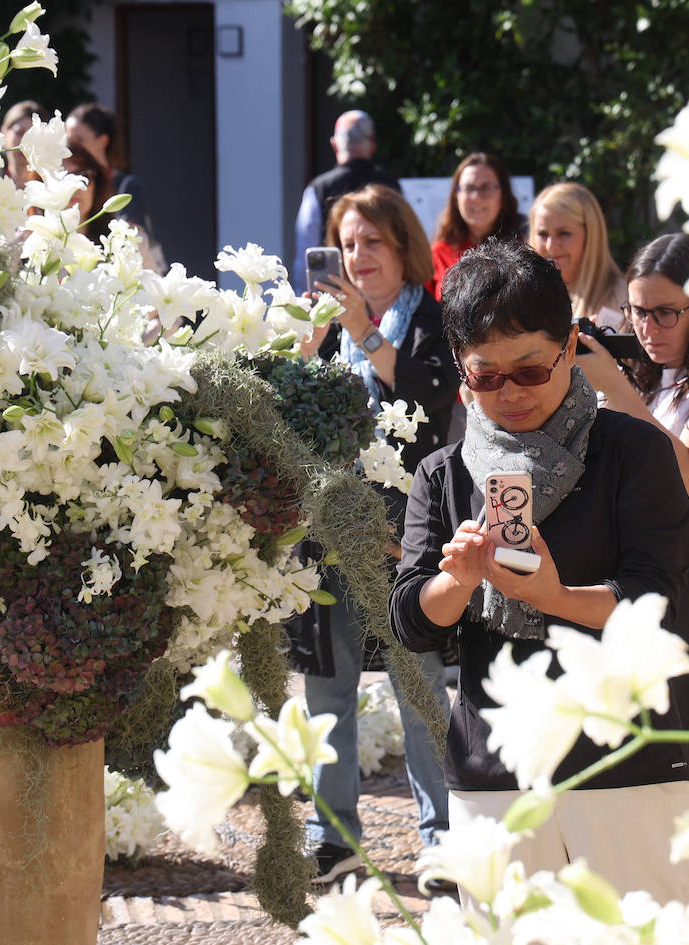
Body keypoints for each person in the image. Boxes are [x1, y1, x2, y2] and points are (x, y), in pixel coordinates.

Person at [389, 238, 689, 904]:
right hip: (494, 765)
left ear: (571, 343)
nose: (510, 392)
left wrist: (554, 596)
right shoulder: (444, 474)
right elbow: (411, 617)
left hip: (621, 761)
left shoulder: (633, 450)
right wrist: (459, 581)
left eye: (529, 369)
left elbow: (657, 602)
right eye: (485, 375)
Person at [292, 183, 460, 884]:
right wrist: (304, 346)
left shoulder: (432, 320)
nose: (357, 257)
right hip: (331, 534)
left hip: (404, 538)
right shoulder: (329, 328)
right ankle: (331, 839)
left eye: (371, 243)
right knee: (325, 690)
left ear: (403, 248)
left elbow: (426, 397)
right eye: (347, 244)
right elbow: (293, 415)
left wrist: (365, 329)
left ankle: (445, 838)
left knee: (417, 689)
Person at [576, 232, 689, 800]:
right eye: (637, 311)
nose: (648, 328)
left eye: (666, 312)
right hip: (639, 562)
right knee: (650, 738)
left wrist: (615, 389)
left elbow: (688, 471)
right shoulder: (646, 371)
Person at [292, 111, 400, 292]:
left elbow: (306, 254)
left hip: (335, 298)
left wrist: (307, 300)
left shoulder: (319, 189)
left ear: (335, 145)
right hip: (386, 297)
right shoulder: (391, 187)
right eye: (349, 244)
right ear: (372, 144)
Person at [528, 182, 626, 330]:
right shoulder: (523, 299)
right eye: (543, 234)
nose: (550, 246)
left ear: (591, 235)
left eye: (564, 233)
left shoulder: (623, 299)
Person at [427, 153, 524, 301]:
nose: (476, 197)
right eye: (469, 188)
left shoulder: (525, 247)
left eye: (486, 188)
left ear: (503, 195)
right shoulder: (438, 253)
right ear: (456, 196)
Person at [60, 142, 114, 241]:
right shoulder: (25, 247)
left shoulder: (119, 244)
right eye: (62, 177)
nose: (75, 186)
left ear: (96, 184)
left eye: (83, 175)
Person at [0, 100, 50, 186]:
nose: (24, 143)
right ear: (4, 132)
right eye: (19, 133)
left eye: (33, 137)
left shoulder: (49, 187)